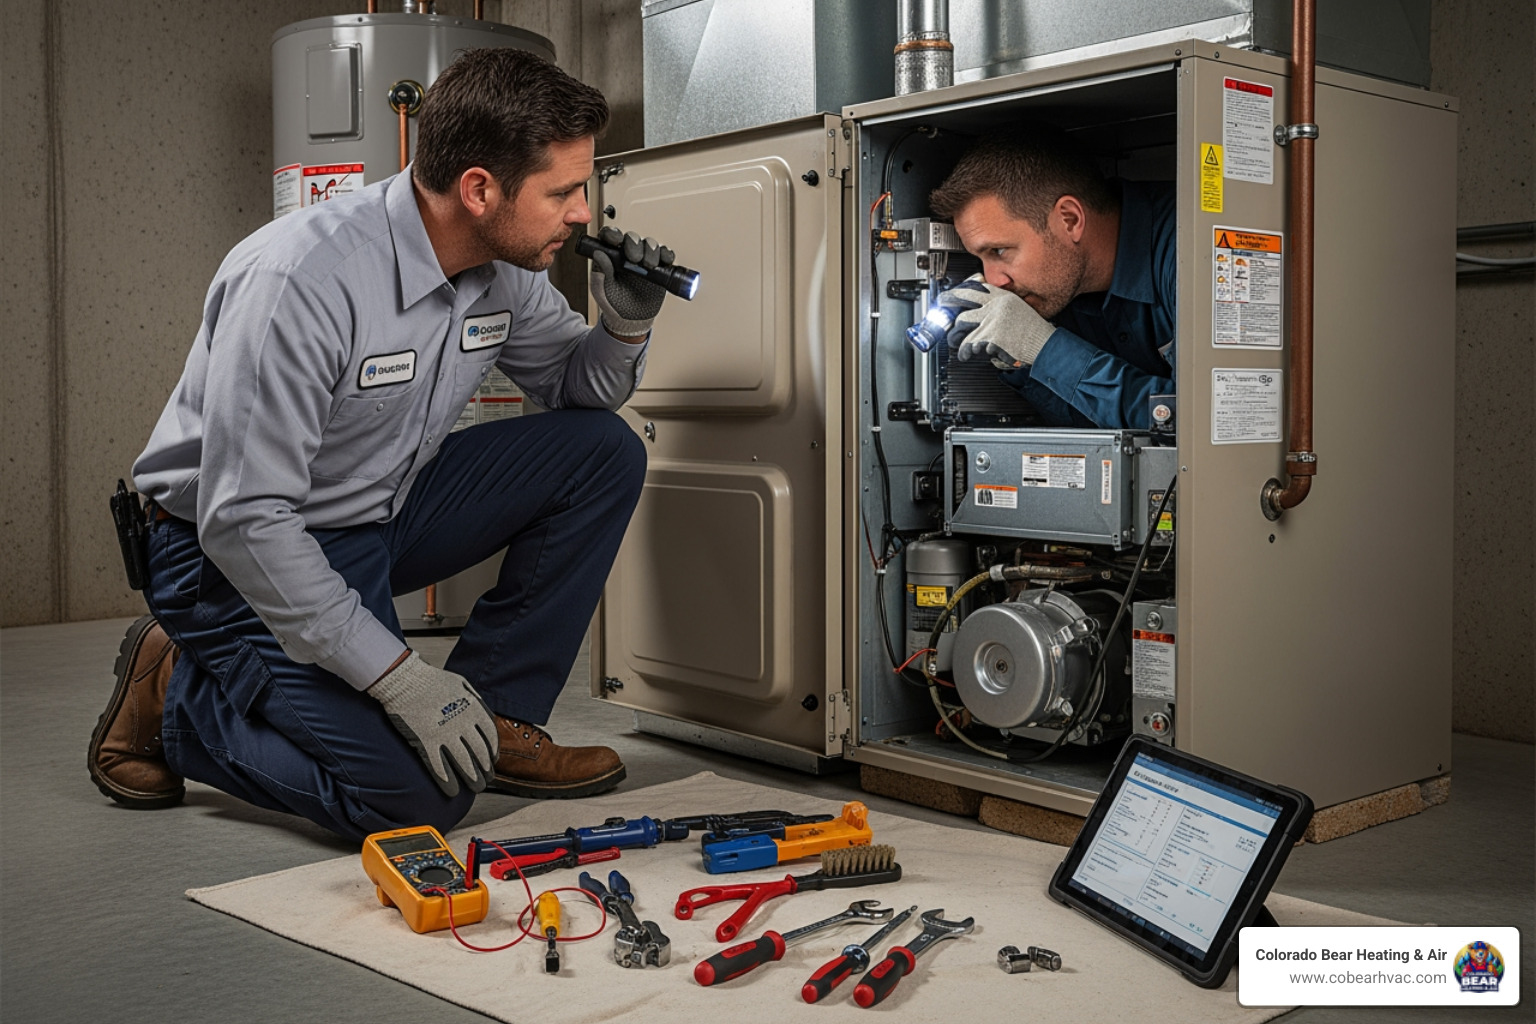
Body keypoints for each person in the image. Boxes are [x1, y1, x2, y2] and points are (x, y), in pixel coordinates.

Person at [88, 48, 675, 841]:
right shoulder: (301, 281)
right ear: (479, 189)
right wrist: (400, 679)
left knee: (602, 451)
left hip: (375, 512)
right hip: (222, 554)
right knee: (414, 802)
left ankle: (491, 718)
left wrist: (625, 323)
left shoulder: (503, 269)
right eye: (564, 191)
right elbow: (246, 518)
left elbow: (578, 392)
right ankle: (179, 701)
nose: (582, 215)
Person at [929, 129, 1175, 430]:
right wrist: (1020, 361)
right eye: (981, 259)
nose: (993, 280)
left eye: (1000, 250)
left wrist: (1045, 349)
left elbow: (1204, 426)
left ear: (1069, 220)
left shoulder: (1195, 250)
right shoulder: (1059, 289)